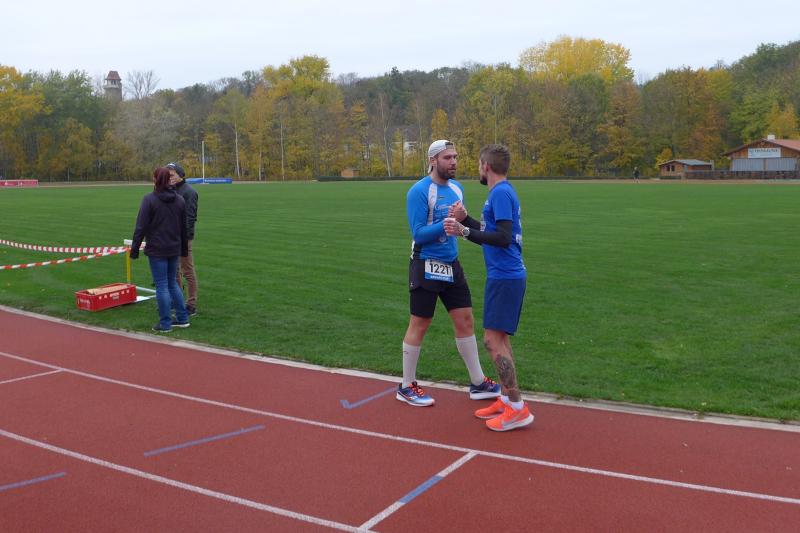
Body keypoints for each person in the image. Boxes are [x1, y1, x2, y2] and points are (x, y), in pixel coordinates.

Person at [398, 139, 500, 407]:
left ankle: (478, 382)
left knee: (465, 320)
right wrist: (448, 223)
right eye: (447, 158)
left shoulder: (457, 188)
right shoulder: (419, 192)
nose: (453, 162)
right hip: (425, 263)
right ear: (433, 161)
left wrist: (463, 219)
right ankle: (407, 385)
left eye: (455, 157)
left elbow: (459, 225)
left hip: (451, 263)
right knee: (420, 322)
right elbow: (419, 233)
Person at [444, 144, 533, 431]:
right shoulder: (499, 193)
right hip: (502, 275)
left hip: (506, 276)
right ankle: (507, 401)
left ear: (486, 166)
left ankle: (517, 408)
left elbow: (503, 237)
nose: (478, 169)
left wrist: (464, 231)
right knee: (499, 339)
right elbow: (490, 232)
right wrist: (465, 221)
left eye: (479, 164)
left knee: (492, 341)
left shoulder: (501, 193)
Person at [130, 167, 190, 333]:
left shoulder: (149, 200)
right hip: (173, 248)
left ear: (155, 179)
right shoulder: (179, 200)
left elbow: (140, 227)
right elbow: (184, 229)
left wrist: (134, 249)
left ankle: (165, 323)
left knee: (162, 285)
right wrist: (184, 250)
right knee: (172, 283)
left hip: (157, 249)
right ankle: (182, 318)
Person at [166, 162, 199, 316]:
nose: (169, 178)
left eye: (172, 175)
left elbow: (190, 218)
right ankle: (177, 300)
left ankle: (191, 304)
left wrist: (182, 238)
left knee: (187, 270)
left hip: (184, 238)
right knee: (174, 271)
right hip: (170, 237)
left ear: (180, 175)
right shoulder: (169, 190)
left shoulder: (189, 192)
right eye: (168, 175)